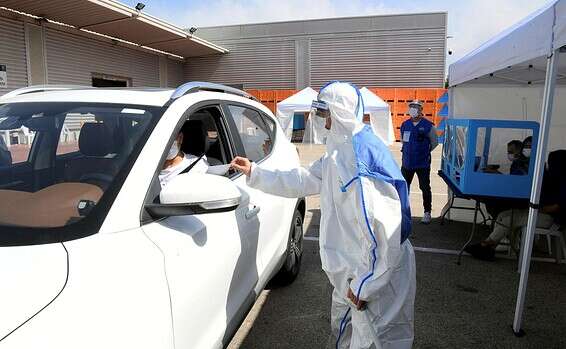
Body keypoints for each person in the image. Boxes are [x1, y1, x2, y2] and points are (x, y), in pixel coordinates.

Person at [231, 82, 416, 349]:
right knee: (346, 332)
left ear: (340, 113)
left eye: (324, 113)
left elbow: (385, 230)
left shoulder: (361, 159)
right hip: (355, 268)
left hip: (378, 273)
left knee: (377, 341)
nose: (322, 121)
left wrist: (367, 284)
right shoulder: (339, 152)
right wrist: (255, 173)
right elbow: (304, 179)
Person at [466, 150, 566, 261]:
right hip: (539, 212)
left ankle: (485, 245)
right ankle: (491, 247)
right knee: (503, 215)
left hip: (549, 218)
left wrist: (536, 208)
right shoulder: (552, 177)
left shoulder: (563, 182)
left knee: (510, 219)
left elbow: (556, 207)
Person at [400, 100, 438, 224]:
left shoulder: (428, 125)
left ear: (421, 110)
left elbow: (434, 143)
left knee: (425, 187)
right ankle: (403, 212)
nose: (413, 109)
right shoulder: (405, 124)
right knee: (404, 188)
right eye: (411, 107)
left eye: (416, 107)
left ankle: (427, 212)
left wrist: (423, 153)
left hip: (422, 164)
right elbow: (403, 141)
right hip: (407, 163)